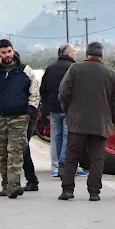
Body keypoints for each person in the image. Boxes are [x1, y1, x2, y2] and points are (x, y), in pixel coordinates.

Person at [58, 42, 115, 201]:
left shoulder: (75, 69)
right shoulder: (111, 74)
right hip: (100, 123)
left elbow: (63, 93)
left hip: (77, 122)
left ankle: (67, 190)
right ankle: (94, 192)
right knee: (97, 158)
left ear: (86, 54)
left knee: (72, 156)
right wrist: (112, 121)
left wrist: (69, 112)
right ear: (101, 55)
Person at [0, 39, 40, 198]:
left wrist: (30, 110)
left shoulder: (25, 70)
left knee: (15, 150)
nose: (7, 55)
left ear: (13, 51)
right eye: (3, 52)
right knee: (2, 151)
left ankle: (14, 184)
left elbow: (34, 92)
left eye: (9, 51)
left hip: (19, 117)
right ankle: (6, 184)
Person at [40, 43, 87, 178]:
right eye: (74, 52)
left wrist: (46, 106)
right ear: (67, 53)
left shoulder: (50, 68)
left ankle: (55, 166)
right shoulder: (74, 68)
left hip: (54, 108)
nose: (75, 54)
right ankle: (69, 164)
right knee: (70, 137)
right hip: (70, 108)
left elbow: (43, 89)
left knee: (56, 137)